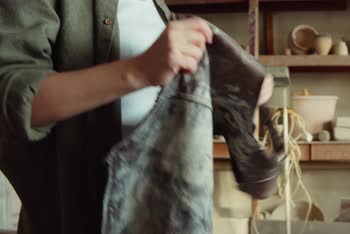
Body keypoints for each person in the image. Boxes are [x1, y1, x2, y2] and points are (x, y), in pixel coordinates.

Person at [0, 0, 273, 233]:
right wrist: (138, 71)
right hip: (79, 219)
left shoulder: (155, 6)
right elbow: (16, 98)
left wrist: (238, 90)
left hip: (162, 216)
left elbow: (155, 105)